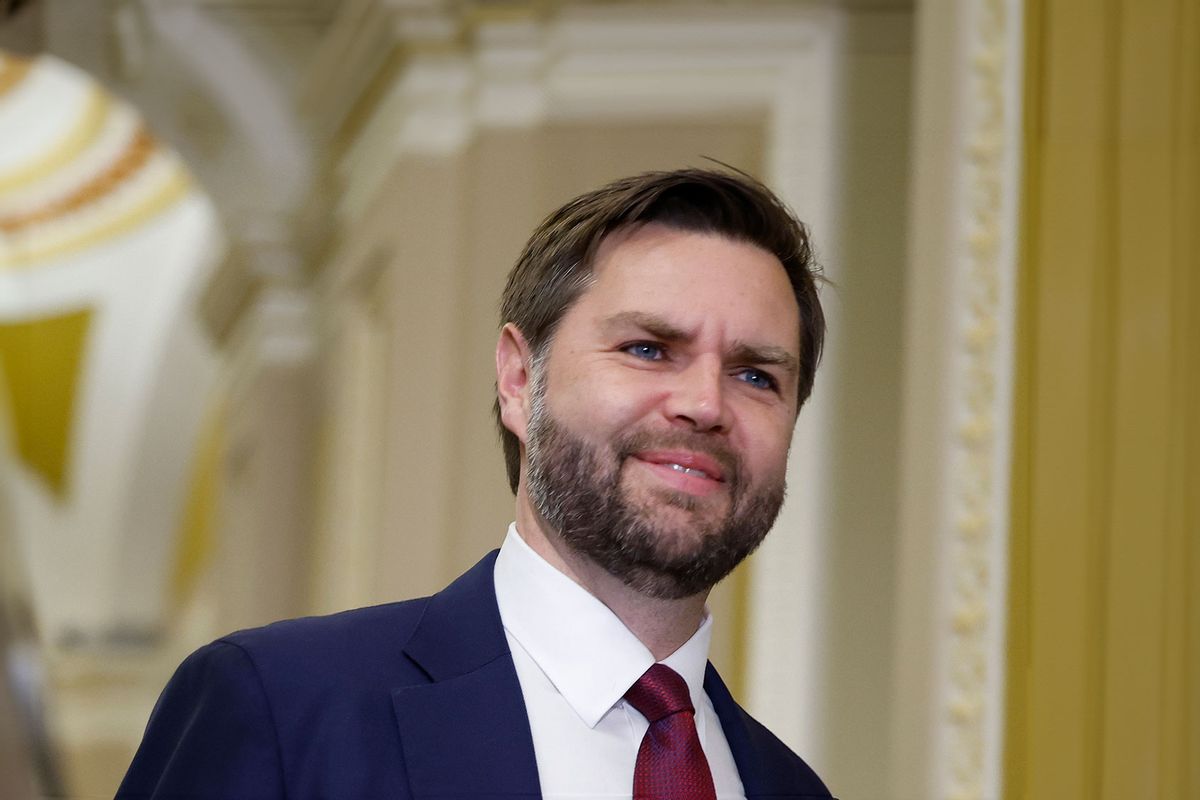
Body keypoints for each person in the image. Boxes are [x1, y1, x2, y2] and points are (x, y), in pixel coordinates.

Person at [117, 168, 834, 799]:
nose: (705, 404)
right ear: (520, 381)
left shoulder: (793, 789)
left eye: (755, 376)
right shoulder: (281, 707)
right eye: (647, 349)